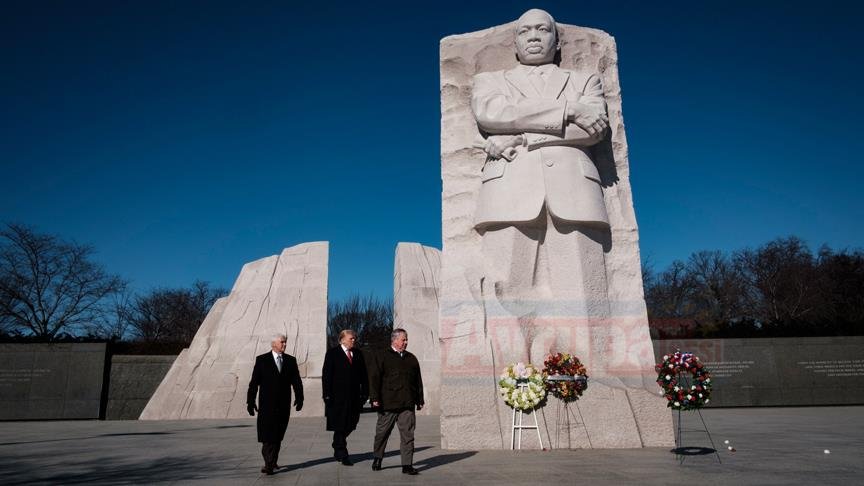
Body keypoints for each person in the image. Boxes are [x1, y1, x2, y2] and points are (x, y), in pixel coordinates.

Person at [470, 8, 612, 358]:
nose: (534, 36)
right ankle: (513, 377)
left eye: (543, 30)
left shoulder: (585, 81)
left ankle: (593, 375)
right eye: (525, 31)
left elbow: (593, 131)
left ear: (556, 39)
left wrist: (520, 135)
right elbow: (492, 114)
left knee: (582, 290)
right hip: (509, 192)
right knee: (507, 288)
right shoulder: (491, 80)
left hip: (575, 191)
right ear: (515, 43)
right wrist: (568, 111)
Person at [368, 328, 424, 475]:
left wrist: (420, 399)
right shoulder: (382, 356)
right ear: (394, 340)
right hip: (388, 403)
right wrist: (374, 399)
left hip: (407, 403)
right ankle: (378, 458)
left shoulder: (411, 358)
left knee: (408, 435)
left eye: (406, 339)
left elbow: (418, 381)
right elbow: (374, 379)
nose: (406, 342)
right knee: (382, 433)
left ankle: (407, 465)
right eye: (403, 339)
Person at [247, 333, 304, 475]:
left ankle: (272, 461)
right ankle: (269, 464)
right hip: (267, 405)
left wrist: (300, 397)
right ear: (273, 344)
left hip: (284, 405)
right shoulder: (262, 360)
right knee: (268, 436)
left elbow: (296, 381)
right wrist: (250, 401)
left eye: (285, 342)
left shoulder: (291, 360)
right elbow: (254, 383)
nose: (285, 344)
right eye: (282, 342)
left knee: (278, 435)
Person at [321, 329, 368, 466]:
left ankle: (337, 443)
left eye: (354, 338)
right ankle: (342, 453)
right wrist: (327, 395)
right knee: (340, 424)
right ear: (342, 339)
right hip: (337, 397)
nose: (354, 340)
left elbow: (364, 375)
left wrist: (365, 393)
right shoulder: (332, 353)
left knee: (351, 424)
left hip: (354, 397)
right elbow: (327, 376)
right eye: (351, 338)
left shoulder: (358, 354)